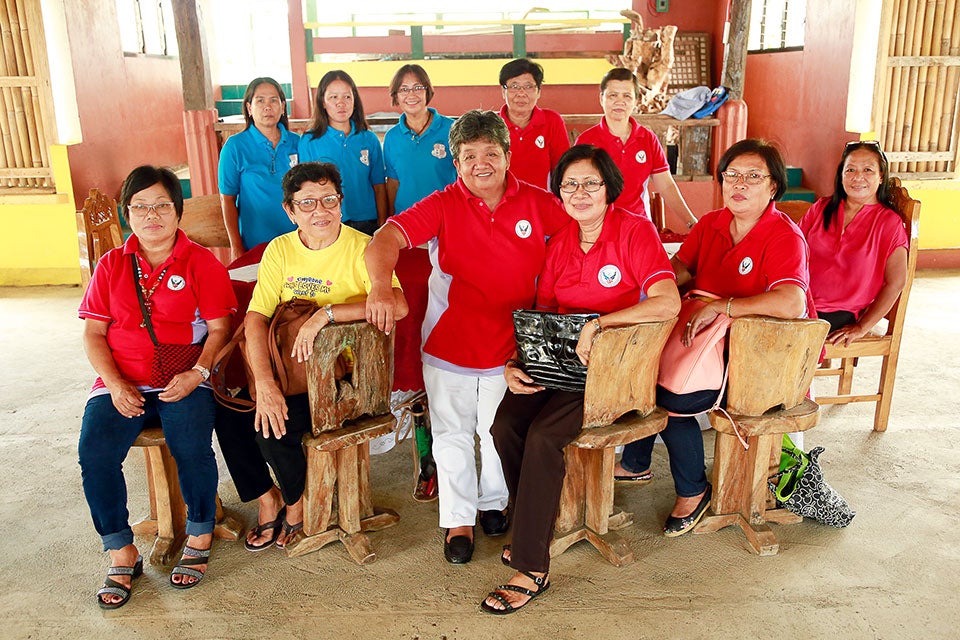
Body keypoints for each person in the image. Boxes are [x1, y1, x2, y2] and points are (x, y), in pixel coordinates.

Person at [364, 110, 569, 564]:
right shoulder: (441, 204)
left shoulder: (540, 202)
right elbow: (384, 240)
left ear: (508, 155)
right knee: (453, 433)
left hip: (513, 348)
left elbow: (580, 238)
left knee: (496, 429)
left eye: (491, 153)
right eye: (469, 155)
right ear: (456, 162)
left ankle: (494, 502)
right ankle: (458, 518)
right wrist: (380, 285)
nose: (481, 163)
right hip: (449, 343)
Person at [481, 145, 680, 614]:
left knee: (545, 436)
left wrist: (599, 323)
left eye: (590, 183)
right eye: (570, 184)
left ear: (610, 187)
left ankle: (532, 566)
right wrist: (516, 363)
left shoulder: (635, 232)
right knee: (505, 426)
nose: (580, 192)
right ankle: (537, 522)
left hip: (617, 372)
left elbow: (668, 301)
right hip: (563, 367)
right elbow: (544, 316)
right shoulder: (561, 243)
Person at [616, 139, 816, 536]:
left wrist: (721, 307)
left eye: (753, 176)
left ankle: (693, 489)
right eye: (732, 175)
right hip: (707, 337)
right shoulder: (711, 223)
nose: (740, 184)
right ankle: (637, 462)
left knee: (675, 397)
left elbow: (792, 301)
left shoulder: (783, 235)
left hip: (761, 352)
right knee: (637, 366)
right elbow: (682, 269)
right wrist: (651, 288)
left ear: (773, 186)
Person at [79, 166, 236, 608]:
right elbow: (93, 334)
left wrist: (198, 374)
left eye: (161, 205)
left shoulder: (201, 262)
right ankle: (120, 549)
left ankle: (200, 532)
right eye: (140, 206)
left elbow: (221, 329)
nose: (151, 215)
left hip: (183, 375)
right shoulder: (111, 264)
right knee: (95, 453)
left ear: (177, 211)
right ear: (127, 213)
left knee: (191, 445)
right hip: (121, 379)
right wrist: (113, 384)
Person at [244, 162, 406, 550]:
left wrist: (325, 314)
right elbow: (254, 319)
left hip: (346, 381)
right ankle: (281, 497)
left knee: (276, 428)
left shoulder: (363, 248)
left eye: (329, 200)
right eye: (308, 203)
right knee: (243, 418)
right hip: (294, 374)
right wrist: (265, 383)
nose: (320, 211)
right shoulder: (280, 250)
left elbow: (396, 304)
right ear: (290, 210)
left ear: (342, 202)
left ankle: (296, 508)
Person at [798, 141, 908, 342]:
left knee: (774, 340)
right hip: (797, 300)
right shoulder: (822, 208)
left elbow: (897, 281)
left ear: (881, 176)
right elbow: (792, 249)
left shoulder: (888, 223)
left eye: (868, 170)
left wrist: (862, 327)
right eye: (850, 170)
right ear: (841, 176)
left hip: (837, 313)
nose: (858, 177)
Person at [576, 67, 697, 228]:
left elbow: (666, 186)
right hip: (597, 228)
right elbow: (578, 191)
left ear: (636, 100)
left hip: (638, 227)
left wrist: (691, 223)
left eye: (627, 96)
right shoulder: (586, 141)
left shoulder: (647, 139)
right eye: (613, 95)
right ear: (601, 99)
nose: (620, 101)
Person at [219, 77, 300, 262]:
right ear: (249, 108)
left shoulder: (298, 143)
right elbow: (228, 200)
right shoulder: (235, 147)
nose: (267, 106)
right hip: (254, 246)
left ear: (283, 106)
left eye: (274, 100)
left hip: (297, 243)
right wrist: (236, 247)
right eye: (260, 100)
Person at [298, 70, 386, 236]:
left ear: (354, 100)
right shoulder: (309, 141)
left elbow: (379, 186)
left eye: (347, 97)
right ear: (322, 102)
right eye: (333, 97)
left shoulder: (369, 139)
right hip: (329, 222)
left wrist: (382, 222)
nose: (341, 103)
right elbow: (306, 190)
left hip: (368, 222)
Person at [383, 64, 457, 215]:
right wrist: (390, 220)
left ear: (427, 91)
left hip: (445, 216)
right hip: (406, 219)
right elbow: (393, 183)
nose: (411, 95)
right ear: (396, 95)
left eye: (418, 87)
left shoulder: (452, 129)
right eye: (404, 89)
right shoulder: (392, 137)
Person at [497, 58, 570, 189]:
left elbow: (563, 170)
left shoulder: (552, 121)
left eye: (528, 86)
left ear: (538, 92)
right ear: (503, 91)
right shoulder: (492, 124)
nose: (521, 93)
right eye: (514, 86)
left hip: (541, 204)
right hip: (501, 204)